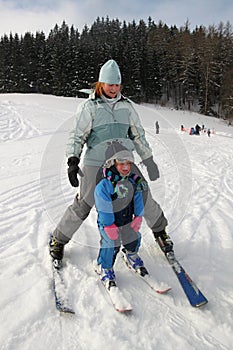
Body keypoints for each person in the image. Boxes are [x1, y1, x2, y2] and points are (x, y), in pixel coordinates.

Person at [49, 59, 173, 262]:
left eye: (117, 85)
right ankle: (58, 239)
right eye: (110, 84)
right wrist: (73, 160)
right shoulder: (89, 107)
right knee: (84, 203)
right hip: (96, 162)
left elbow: (138, 135)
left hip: (124, 160)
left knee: (143, 195)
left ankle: (161, 232)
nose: (114, 89)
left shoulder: (127, 107)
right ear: (101, 84)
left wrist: (148, 160)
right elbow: (77, 135)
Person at [94, 142, 148, 289]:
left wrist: (138, 216)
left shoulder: (132, 181)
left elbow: (137, 198)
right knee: (111, 244)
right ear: (111, 164)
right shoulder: (104, 186)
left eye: (128, 163)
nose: (126, 167)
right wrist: (109, 224)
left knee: (133, 237)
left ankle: (131, 254)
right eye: (121, 163)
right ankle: (103, 266)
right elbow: (103, 205)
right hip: (108, 223)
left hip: (126, 218)